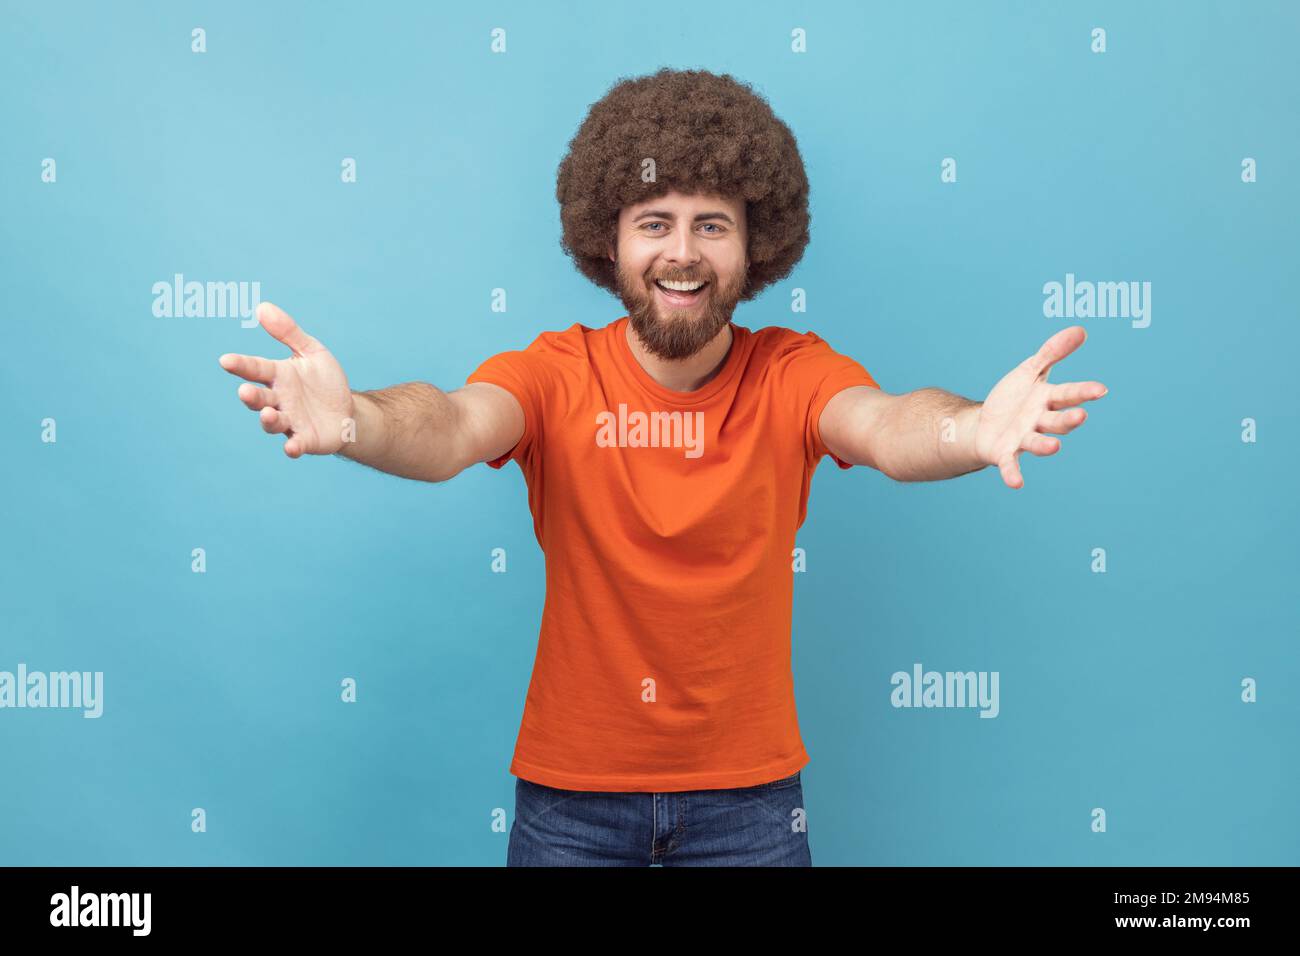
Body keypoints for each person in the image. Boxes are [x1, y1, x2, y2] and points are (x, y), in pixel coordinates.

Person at [217, 68, 1106, 866]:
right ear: (610, 241)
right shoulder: (556, 372)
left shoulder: (792, 371)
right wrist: (353, 422)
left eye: (711, 225)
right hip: (569, 805)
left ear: (756, 246)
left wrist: (972, 430)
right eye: (656, 223)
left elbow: (885, 426)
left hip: (753, 811)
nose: (682, 253)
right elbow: (449, 426)